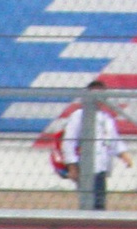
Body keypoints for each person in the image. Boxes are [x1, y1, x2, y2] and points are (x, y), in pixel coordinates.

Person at [56, 79, 130, 210]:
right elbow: (69, 141)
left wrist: (124, 155)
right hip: (85, 167)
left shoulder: (106, 118)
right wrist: (72, 166)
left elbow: (113, 140)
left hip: (101, 167)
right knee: (89, 203)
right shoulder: (79, 115)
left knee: (99, 203)